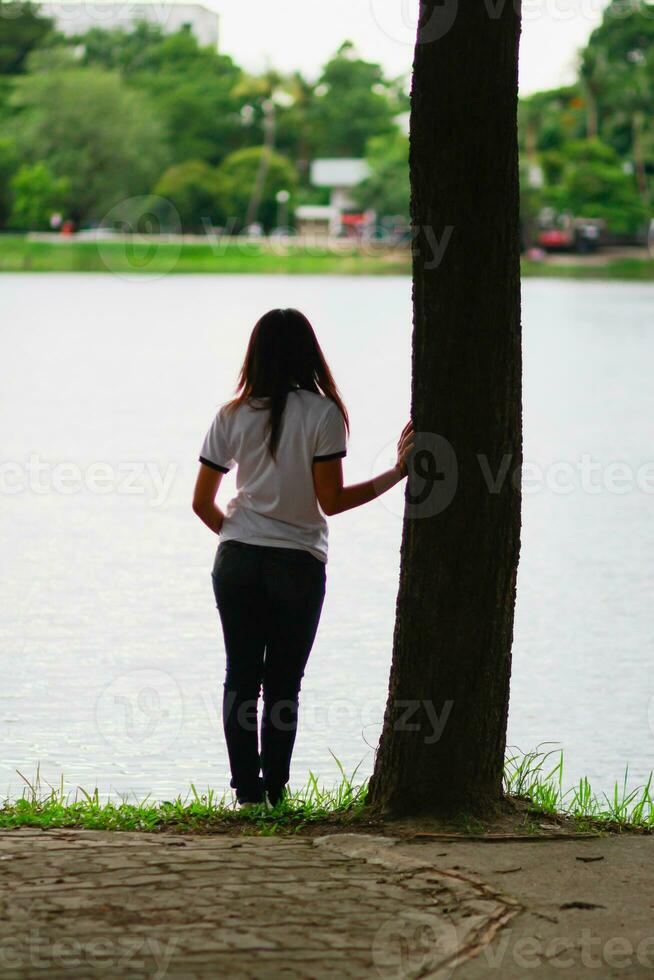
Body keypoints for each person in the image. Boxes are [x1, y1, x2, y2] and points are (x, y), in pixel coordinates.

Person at [192, 308, 414, 807]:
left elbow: (201, 503)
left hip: (237, 561)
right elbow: (330, 502)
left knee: (241, 675)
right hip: (297, 564)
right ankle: (276, 793)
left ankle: (246, 796)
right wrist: (398, 473)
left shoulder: (230, 414)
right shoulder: (323, 413)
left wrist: (239, 537)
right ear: (309, 353)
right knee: (284, 683)